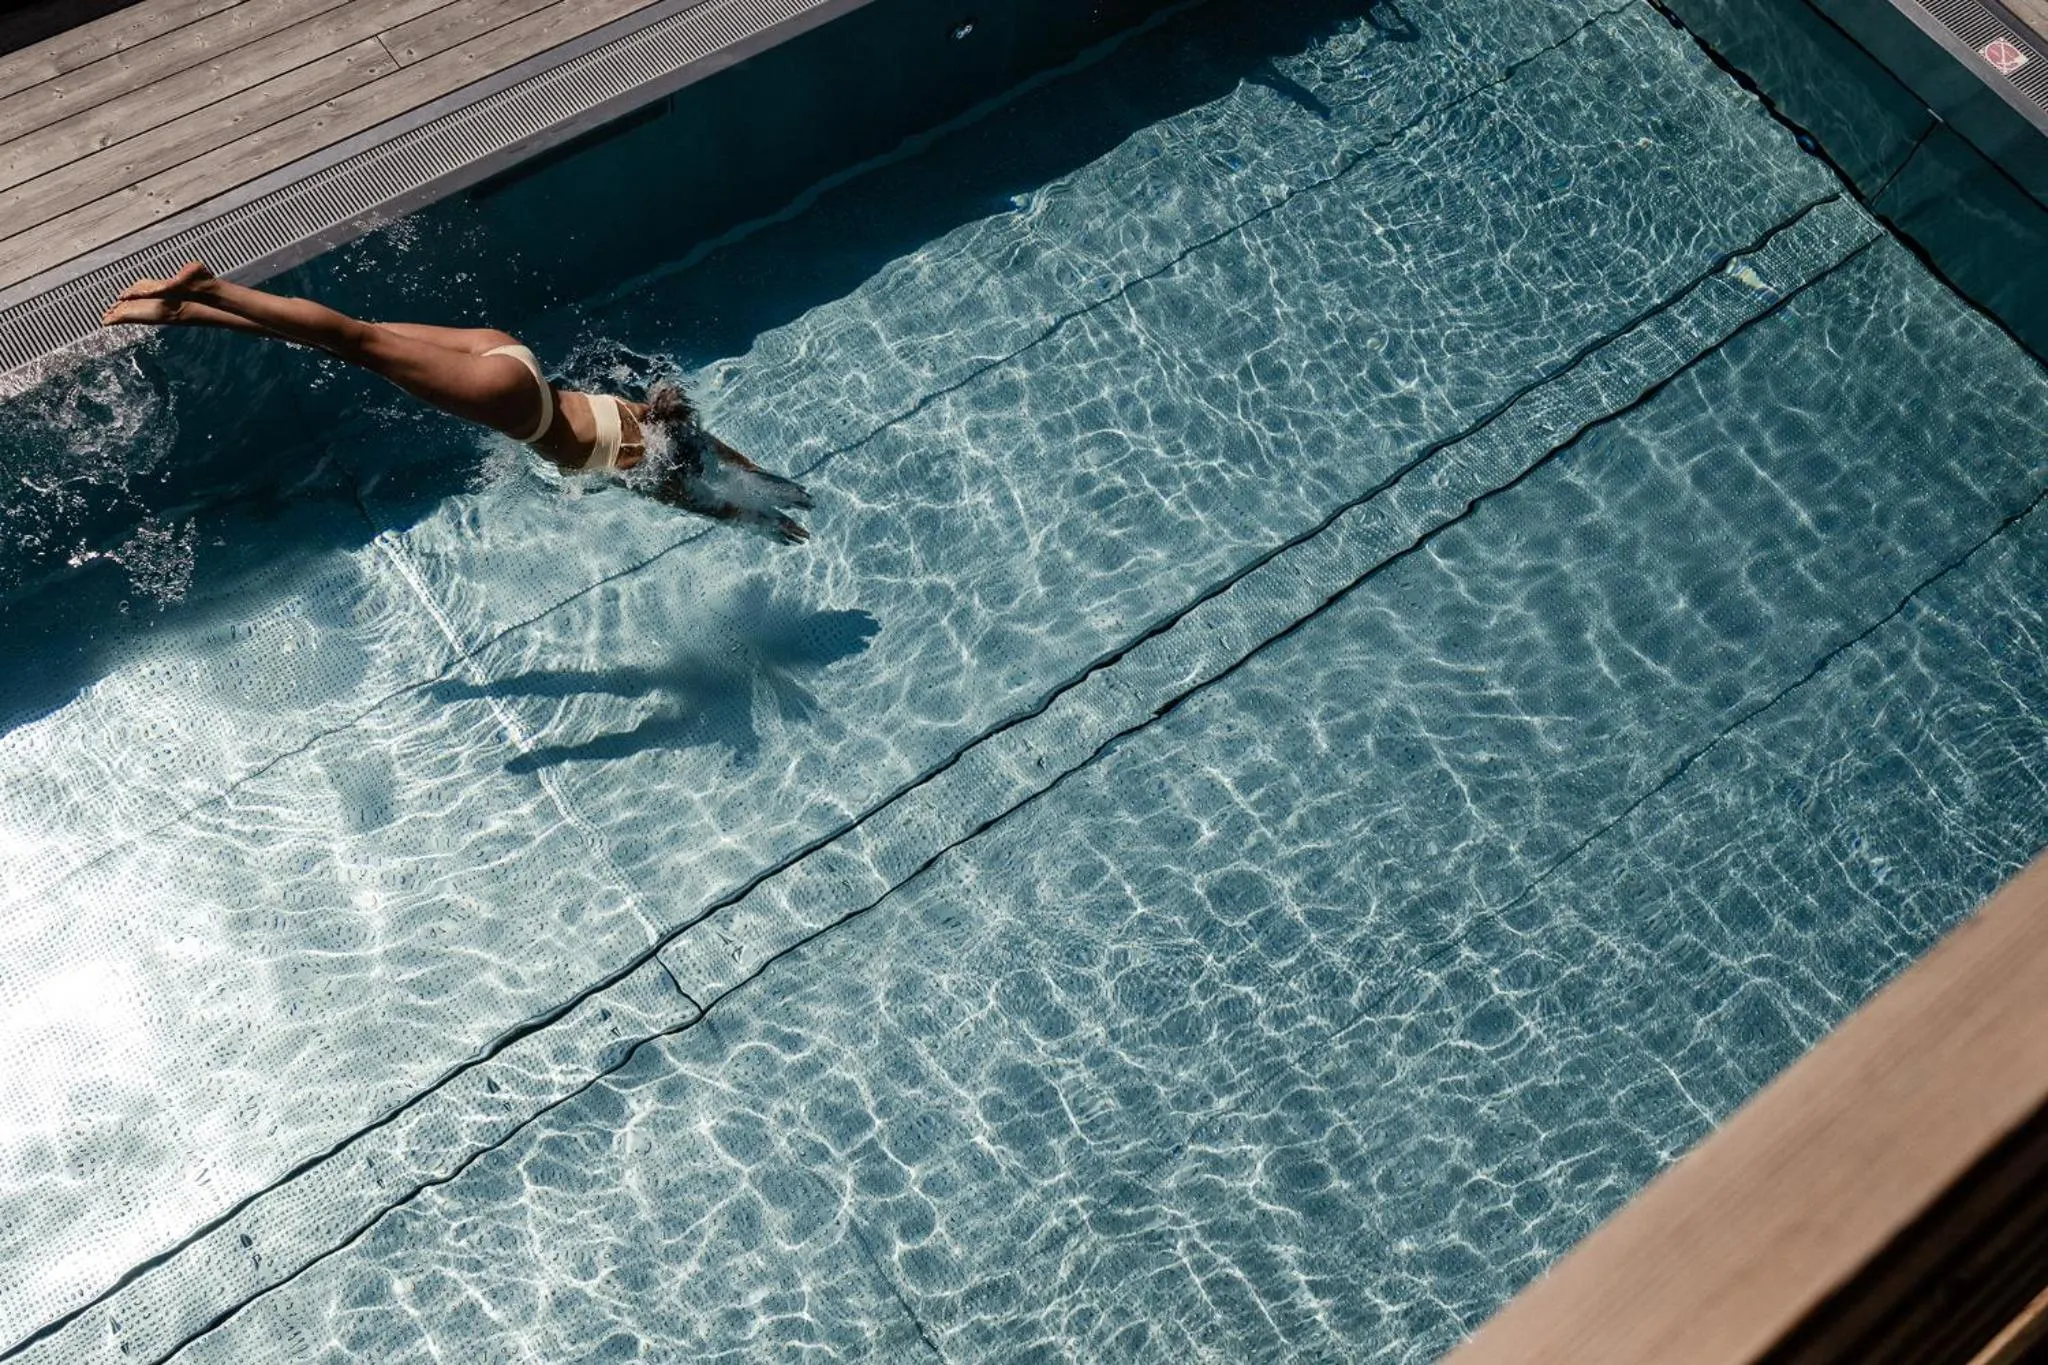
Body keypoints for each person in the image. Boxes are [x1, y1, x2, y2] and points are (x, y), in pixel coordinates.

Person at [102, 262, 812, 543]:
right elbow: (701, 498)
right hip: (512, 401)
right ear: (667, 469)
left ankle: (186, 312)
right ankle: (212, 291)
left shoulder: (651, 419)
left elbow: (715, 452)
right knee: (355, 343)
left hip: (510, 356)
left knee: (363, 336)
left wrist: (770, 484)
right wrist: (757, 517)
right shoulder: (644, 469)